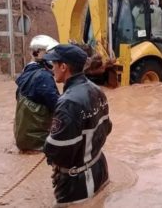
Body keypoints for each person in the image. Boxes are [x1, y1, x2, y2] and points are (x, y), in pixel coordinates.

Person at [43, 44, 113, 206]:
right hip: (100, 169)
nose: (51, 68)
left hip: (78, 184)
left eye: (53, 64)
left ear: (63, 67)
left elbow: (57, 149)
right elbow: (107, 128)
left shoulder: (68, 102)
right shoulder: (98, 91)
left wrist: (47, 143)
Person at [14, 35, 60, 152]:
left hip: (23, 138)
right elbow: (58, 107)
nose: (54, 57)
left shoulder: (26, 72)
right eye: (50, 53)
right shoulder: (43, 77)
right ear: (36, 53)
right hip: (39, 141)